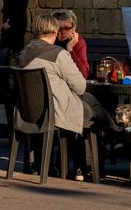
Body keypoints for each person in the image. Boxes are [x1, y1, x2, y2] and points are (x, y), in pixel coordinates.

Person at [15, 13, 111, 175]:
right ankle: (89, 165)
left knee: (92, 105)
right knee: (93, 113)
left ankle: (54, 165)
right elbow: (80, 86)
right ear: (54, 32)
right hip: (57, 112)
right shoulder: (58, 54)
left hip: (28, 112)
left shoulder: (22, 54)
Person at [52, 9, 89, 78]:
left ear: (73, 28)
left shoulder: (78, 42)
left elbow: (83, 74)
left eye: (67, 28)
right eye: (59, 28)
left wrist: (70, 49)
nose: (63, 32)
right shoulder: (51, 41)